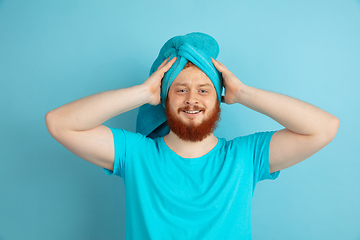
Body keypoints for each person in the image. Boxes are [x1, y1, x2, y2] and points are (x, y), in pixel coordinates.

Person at [45, 32, 339, 239]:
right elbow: (59, 123)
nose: (192, 99)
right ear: (165, 99)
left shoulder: (245, 157)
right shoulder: (135, 154)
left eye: (204, 89)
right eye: (180, 89)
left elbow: (324, 128)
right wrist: (143, 92)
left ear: (218, 98)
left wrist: (242, 93)